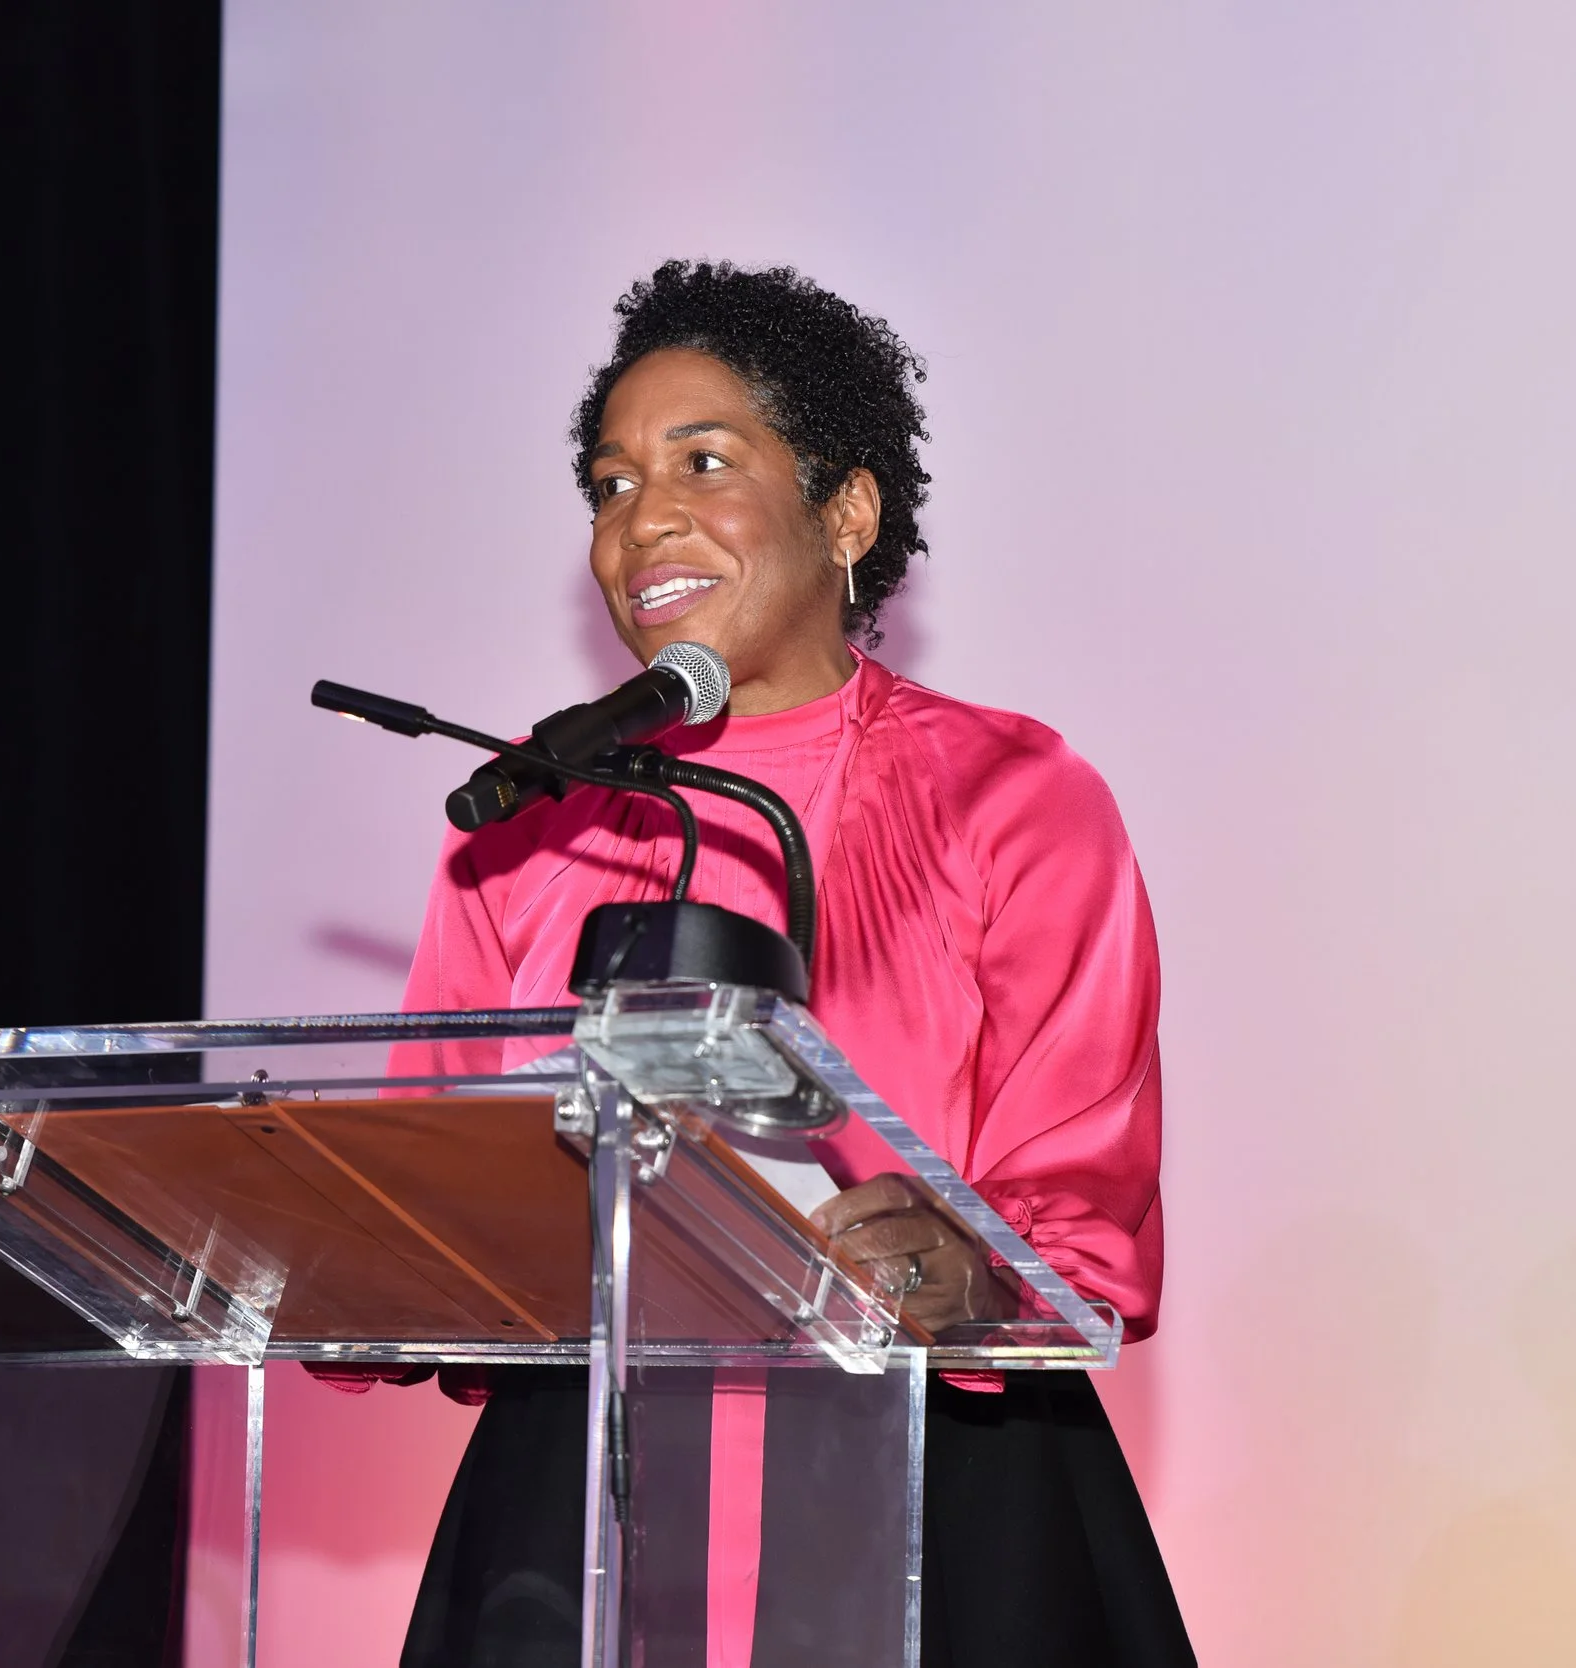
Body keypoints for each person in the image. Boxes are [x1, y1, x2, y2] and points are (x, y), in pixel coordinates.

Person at [394, 259, 1194, 1666]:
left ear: (848, 513)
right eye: (609, 484)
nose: (641, 517)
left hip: (937, 1471)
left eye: (701, 461)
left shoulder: (1014, 796)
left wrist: (972, 1265)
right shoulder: (524, 818)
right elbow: (419, 1191)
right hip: (578, 1497)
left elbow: (1083, 1213)